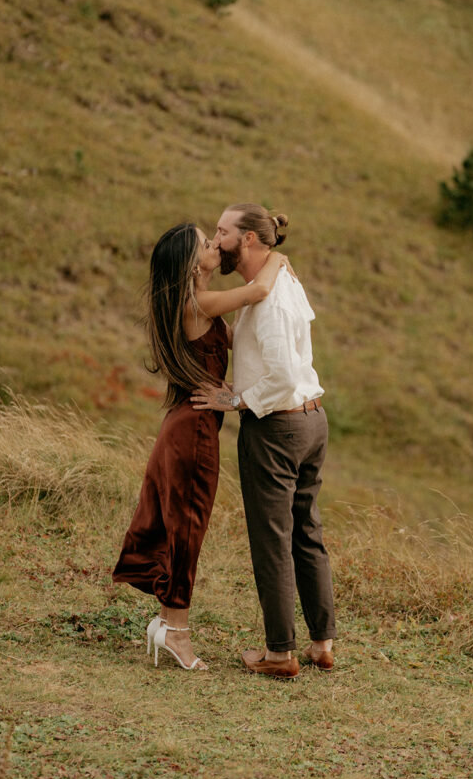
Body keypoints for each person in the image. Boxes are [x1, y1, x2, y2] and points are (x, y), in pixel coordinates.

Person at [112, 221, 288, 671]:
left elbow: (235, 344)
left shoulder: (195, 304)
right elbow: (256, 293)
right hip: (193, 432)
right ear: (193, 266)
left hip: (188, 425)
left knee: (181, 527)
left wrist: (233, 394)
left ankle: (168, 623)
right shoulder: (199, 303)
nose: (215, 245)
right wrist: (277, 261)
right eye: (206, 244)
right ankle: (177, 633)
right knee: (188, 529)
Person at [192, 204, 336, 679]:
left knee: (272, 540)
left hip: (276, 428)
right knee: (306, 533)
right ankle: (321, 643)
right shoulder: (279, 285)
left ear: (248, 240)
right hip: (311, 421)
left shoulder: (269, 295)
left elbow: (282, 373)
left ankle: (279, 654)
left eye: (222, 232)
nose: (216, 240)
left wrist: (235, 401)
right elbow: (266, 350)